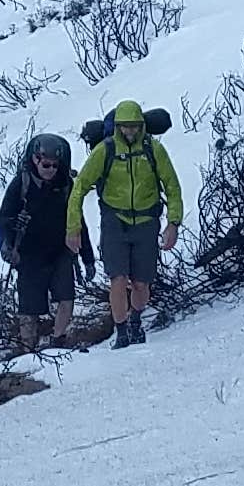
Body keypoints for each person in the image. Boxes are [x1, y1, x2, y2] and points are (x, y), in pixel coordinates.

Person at [67, 100, 182, 348]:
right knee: (117, 279)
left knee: (141, 283)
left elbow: (172, 186)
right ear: (117, 127)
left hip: (146, 221)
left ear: (141, 126)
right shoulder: (105, 150)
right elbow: (80, 188)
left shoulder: (153, 150)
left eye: (134, 126)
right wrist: (73, 227)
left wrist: (173, 223)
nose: (129, 131)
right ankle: (121, 332)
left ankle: (136, 320)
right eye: (124, 127)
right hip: (114, 221)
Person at [0, 134, 84, 354]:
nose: (50, 169)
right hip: (29, 255)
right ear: (35, 159)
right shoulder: (21, 183)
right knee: (28, 307)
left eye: (54, 165)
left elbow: (79, 221)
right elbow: (4, 218)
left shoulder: (66, 184)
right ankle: (27, 348)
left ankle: (58, 340)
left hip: (60, 251)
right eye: (45, 164)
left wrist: (86, 257)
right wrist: (14, 225)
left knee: (66, 297)